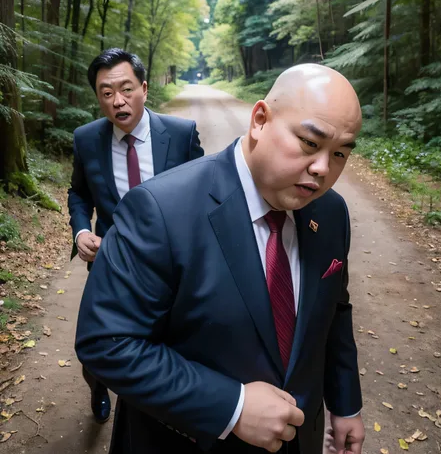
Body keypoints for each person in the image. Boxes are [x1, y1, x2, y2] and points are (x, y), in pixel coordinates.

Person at [75, 63, 365, 454]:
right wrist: (233, 406)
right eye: (311, 144)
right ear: (260, 120)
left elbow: (335, 311)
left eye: (341, 153)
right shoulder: (160, 210)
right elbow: (106, 343)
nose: (322, 169)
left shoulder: (331, 213)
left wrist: (346, 403)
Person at [68, 47, 204, 424]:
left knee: (165, 338)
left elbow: (205, 194)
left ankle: (156, 411)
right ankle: (97, 385)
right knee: (96, 343)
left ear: (144, 88)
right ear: (98, 97)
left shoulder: (180, 135)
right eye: (106, 93)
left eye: (126, 89)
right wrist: (81, 229)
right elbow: (79, 193)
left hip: (171, 263)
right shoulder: (86, 139)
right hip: (110, 261)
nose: (118, 101)